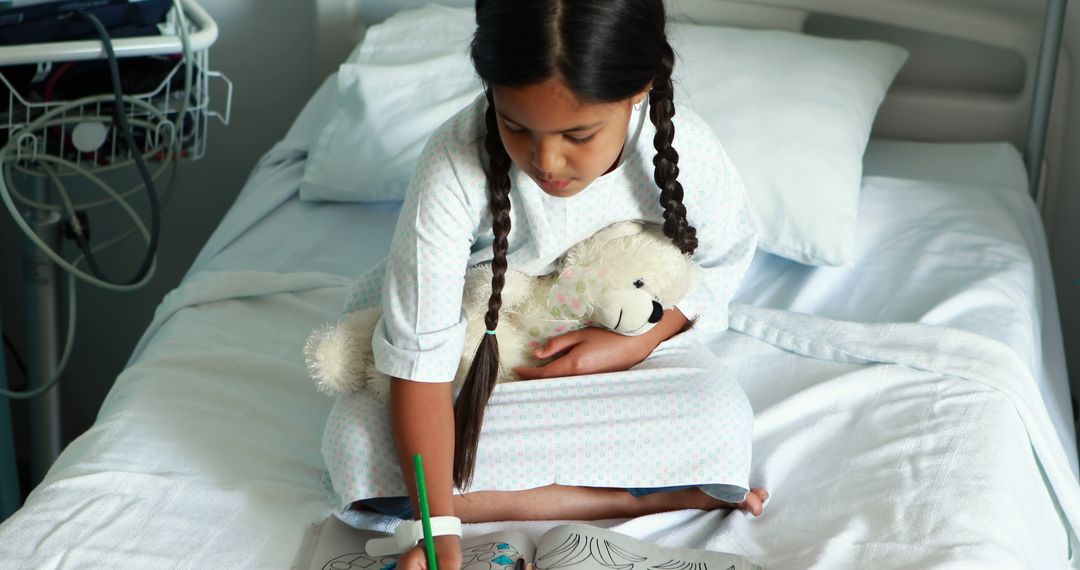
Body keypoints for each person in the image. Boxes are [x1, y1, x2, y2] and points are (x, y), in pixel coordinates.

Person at [320, 2, 767, 569]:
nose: (546, 160)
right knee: (360, 441)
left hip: (611, 335)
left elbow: (723, 264)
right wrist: (435, 535)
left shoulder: (685, 150)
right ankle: (644, 492)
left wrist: (639, 340)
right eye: (515, 126)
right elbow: (420, 360)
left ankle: (624, 489)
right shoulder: (452, 164)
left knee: (718, 416)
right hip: (474, 353)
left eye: (578, 134)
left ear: (639, 90)